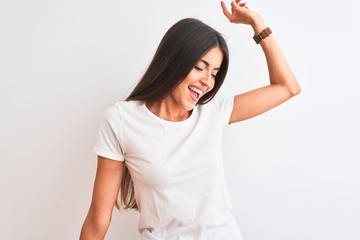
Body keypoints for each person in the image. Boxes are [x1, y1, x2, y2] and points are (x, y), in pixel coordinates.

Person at [80, 0, 301, 239]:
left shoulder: (214, 112)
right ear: (174, 62)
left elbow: (288, 87)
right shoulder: (121, 120)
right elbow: (98, 218)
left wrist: (257, 23)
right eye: (199, 67)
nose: (208, 81)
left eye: (214, 73)